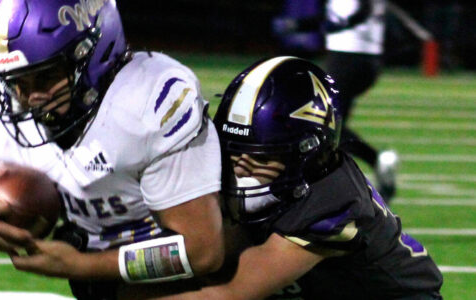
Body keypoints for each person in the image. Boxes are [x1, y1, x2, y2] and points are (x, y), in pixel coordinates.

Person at [0, 0, 224, 299]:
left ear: (93, 54)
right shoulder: (9, 111)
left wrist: (81, 266)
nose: (30, 96)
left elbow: (202, 252)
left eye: (46, 75)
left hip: (196, 287)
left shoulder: (146, 103)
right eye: (16, 80)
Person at [149, 57, 443, 300]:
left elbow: (229, 293)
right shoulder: (239, 172)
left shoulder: (330, 201)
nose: (239, 169)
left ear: (308, 154)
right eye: (232, 153)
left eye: (262, 158)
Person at [272, 0, 399, 202]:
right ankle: (343, 180)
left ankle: (373, 161)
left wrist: (346, 23)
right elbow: (330, 19)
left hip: (350, 59)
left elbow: (361, 11)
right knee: (331, 130)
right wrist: (299, 25)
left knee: (318, 121)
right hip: (356, 59)